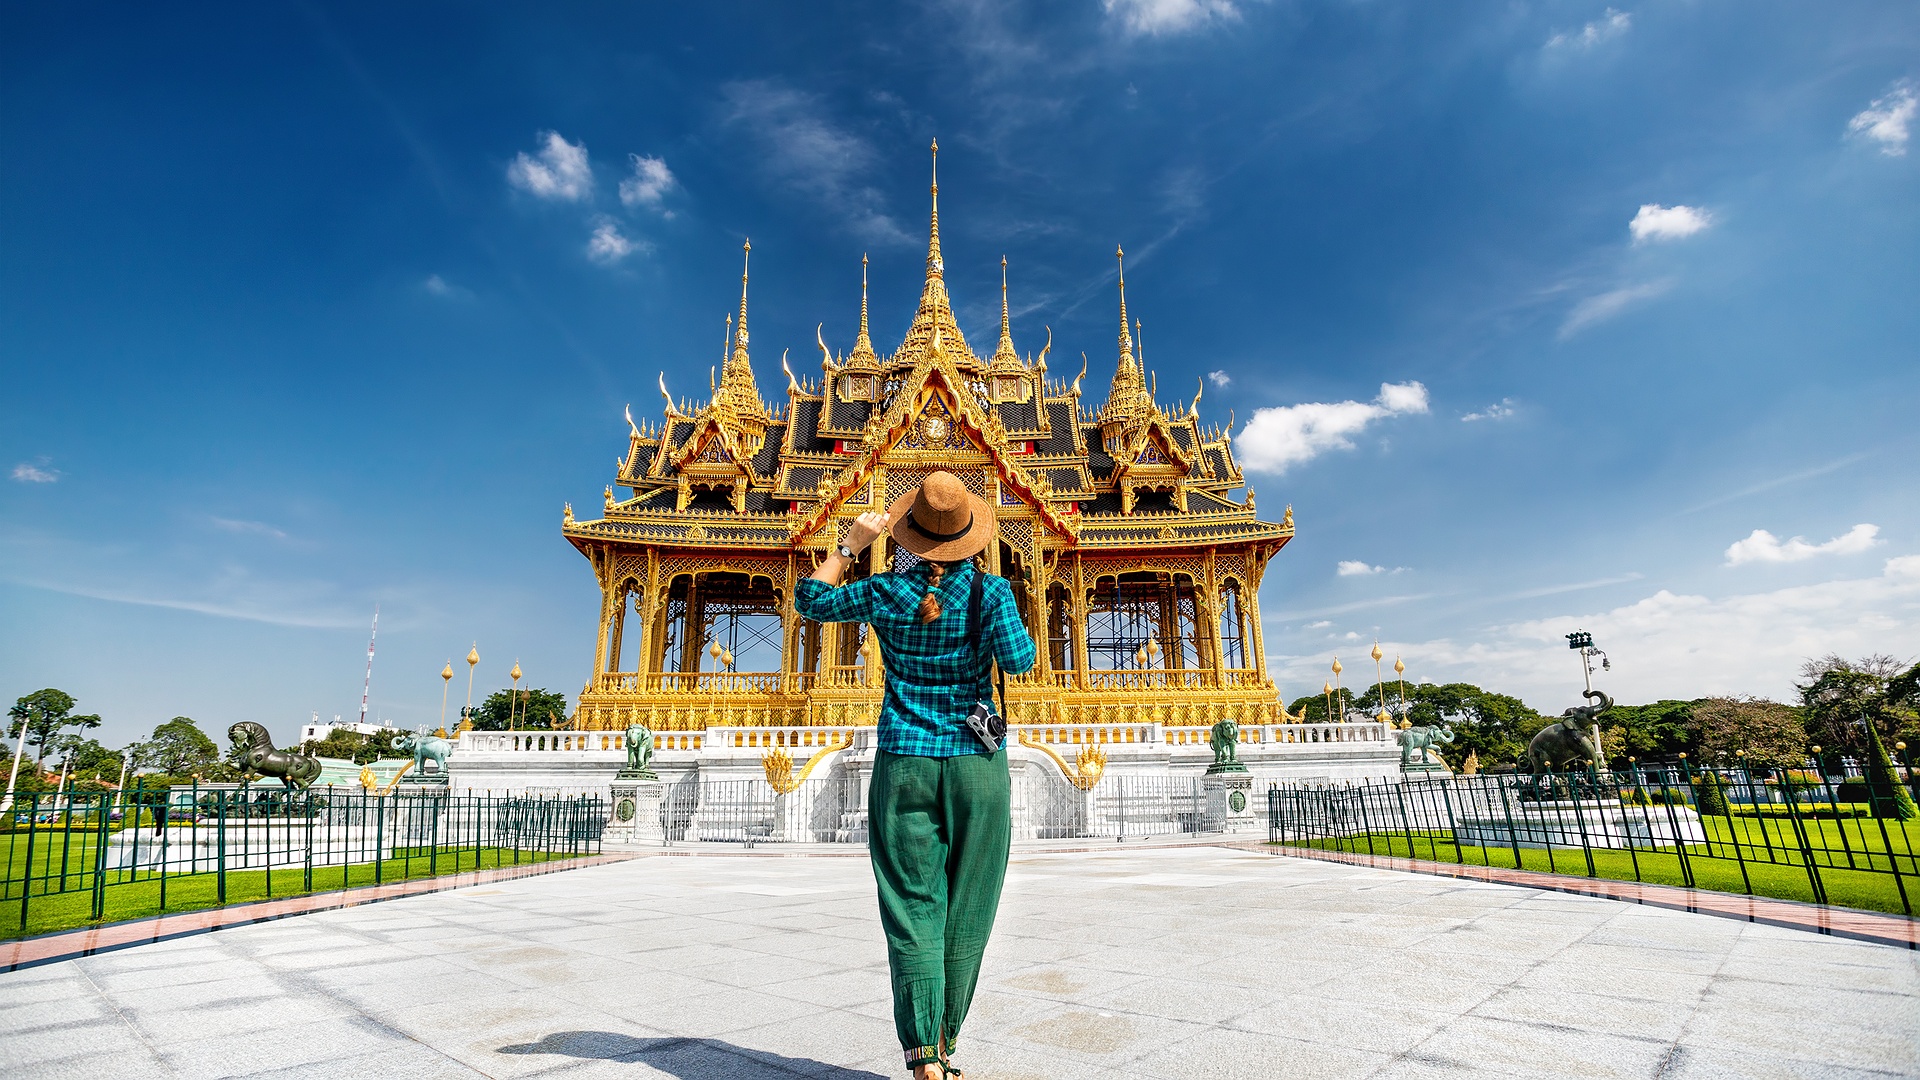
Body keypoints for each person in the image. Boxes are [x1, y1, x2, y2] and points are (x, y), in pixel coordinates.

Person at [796, 470, 1036, 1080]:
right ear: (969, 537)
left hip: (904, 757)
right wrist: (996, 617)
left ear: (909, 535)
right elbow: (1020, 661)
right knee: (970, 905)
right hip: (976, 763)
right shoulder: (991, 592)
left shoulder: (884, 591)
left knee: (912, 907)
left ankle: (924, 1052)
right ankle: (945, 1041)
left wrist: (850, 545)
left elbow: (811, 600)